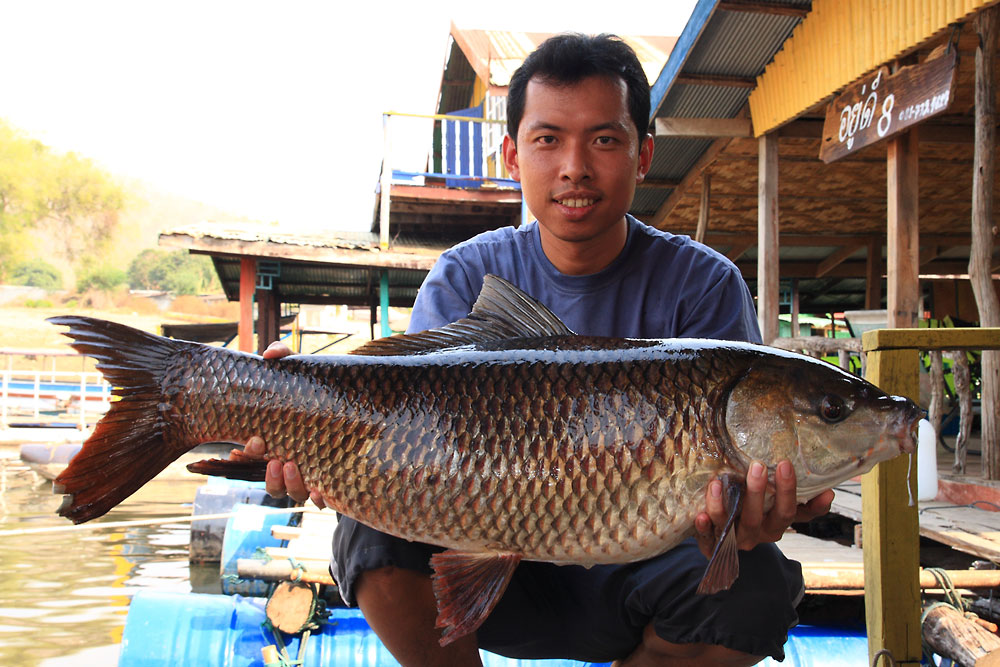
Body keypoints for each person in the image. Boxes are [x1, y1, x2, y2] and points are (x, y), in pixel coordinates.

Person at [243, 33, 834, 666]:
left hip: (641, 576)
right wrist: (299, 420)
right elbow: (399, 420)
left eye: (605, 139)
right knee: (370, 534)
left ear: (643, 156)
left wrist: (749, 521)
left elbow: (734, 510)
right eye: (548, 139)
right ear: (511, 154)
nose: (574, 166)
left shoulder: (704, 284)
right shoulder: (466, 277)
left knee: (759, 584)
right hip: (487, 566)